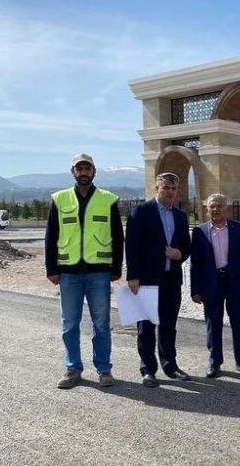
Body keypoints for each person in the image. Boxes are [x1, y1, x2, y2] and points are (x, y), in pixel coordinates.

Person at [45, 153, 124, 389]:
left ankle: (104, 369)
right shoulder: (60, 200)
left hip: (99, 272)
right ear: (73, 172)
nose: (83, 173)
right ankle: (73, 369)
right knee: (70, 324)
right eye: (79, 169)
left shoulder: (107, 200)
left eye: (87, 169)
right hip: (68, 273)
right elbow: (51, 236)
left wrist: (116, 267)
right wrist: (51, 268)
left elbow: (118, 236)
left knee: (101, 324)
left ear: (94, 171)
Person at [125, 172, 191, 388]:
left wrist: (180, 254)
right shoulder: (141, 211)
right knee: (146, 327)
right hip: (146, 279)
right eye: (166, 188)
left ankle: (170, 366)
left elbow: (186, 246)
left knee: (169, 326)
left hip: (172, 279)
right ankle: (148, 370)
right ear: (157, 189)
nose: (170, 192)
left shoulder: (180, 216)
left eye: (173, 188)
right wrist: (133, 276)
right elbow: (131, 245)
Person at [190, 194, 240, 378]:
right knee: (213, 323)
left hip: (235, 281)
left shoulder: (239, 229)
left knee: (238, 322)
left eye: (220, 206)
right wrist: (195, 289)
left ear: (226, 208)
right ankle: (214, 362)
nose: (216, 209)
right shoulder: (199, 232)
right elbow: (195, 263)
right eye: (212, 206)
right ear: (206, 210)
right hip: (211, 282)